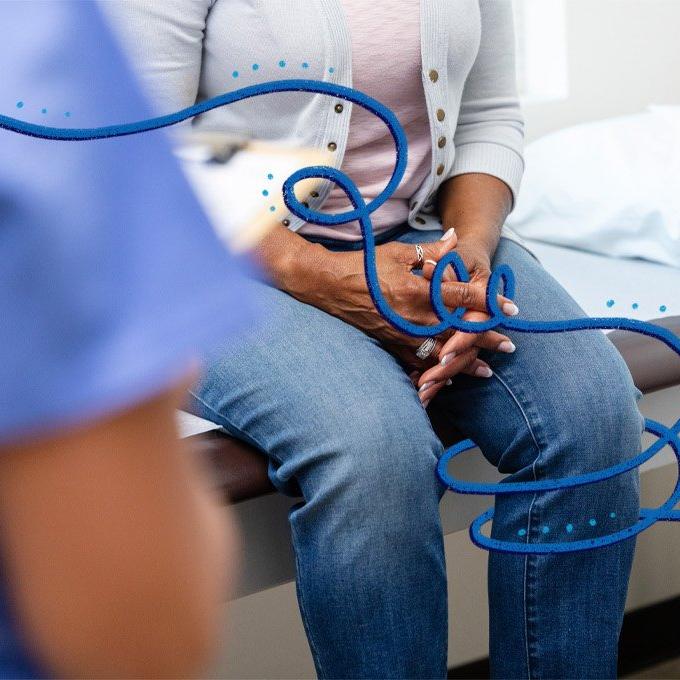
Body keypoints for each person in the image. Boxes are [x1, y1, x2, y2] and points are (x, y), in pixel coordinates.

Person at [104, 1, 644, 677]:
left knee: (593, 413)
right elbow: (130, 154)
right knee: (376, 449)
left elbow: (487, 115)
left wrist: (466, 259)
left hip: (421, 234)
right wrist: (329, 276)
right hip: (211, 259)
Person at [0, 2, 258, 676]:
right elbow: (142, 641)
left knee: (576, 400)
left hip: (419, 247)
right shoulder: (39, 38)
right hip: (261, 257)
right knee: (366, 445)